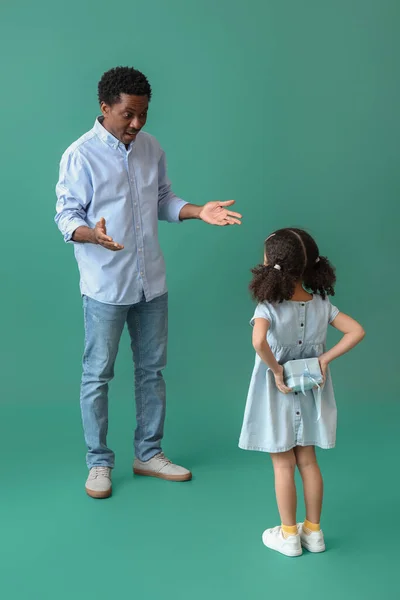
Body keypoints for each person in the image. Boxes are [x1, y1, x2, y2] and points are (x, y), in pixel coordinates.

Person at [55, 66, 242, 499]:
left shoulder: (150, 148)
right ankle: (99, 463)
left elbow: (162, 200)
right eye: (128, 115)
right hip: (105, 285)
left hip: (150, 283)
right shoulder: (79, 155)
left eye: (143, 115)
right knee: (97, 374)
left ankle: (149, 454)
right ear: (105, 108)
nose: (136, 124)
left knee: (151, 371)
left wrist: (199, 210)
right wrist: (91, 235)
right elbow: (66, 215)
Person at [239, 228, 365, 556]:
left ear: (273, 263)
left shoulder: (268, 307)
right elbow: (357, 331)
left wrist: (276, 369)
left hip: (277, 393)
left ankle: (288, 535)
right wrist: (323, 359)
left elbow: (258, 341)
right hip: (311, 392)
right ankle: (314, 532)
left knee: (283, 465)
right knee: (308, 462)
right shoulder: (323, 304)